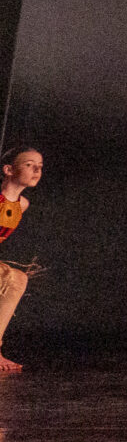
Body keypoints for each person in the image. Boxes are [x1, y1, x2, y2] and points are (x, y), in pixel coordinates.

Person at [0, 146, 41, 372]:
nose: (36, 170)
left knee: (17, 279)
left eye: (40, 166)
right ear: (8, 169)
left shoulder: (22, 205)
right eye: (29, 164)